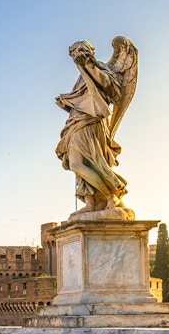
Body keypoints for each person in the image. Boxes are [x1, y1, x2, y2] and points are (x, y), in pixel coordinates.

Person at [55, 37, 138, 218]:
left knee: (94, 162)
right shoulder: (80, 78)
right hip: (77, 122)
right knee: (76, 164)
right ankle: (91, 202)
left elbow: (111, 91)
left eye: (80, 50)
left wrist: (90, 66)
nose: (76, 55)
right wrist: (66, 105)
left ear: (89, 51)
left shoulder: (99, 66)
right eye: (73, 52)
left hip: (93, 123)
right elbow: (84, 101)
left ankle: (112, 195)